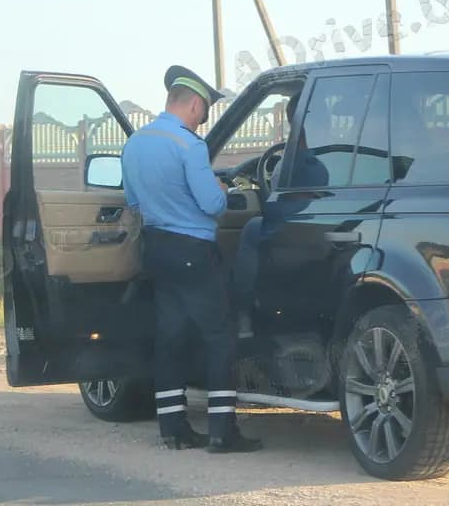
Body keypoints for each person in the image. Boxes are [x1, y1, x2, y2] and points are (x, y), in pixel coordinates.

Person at [122, 65, 262, 453]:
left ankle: (173, 428)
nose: (202, 122)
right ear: (196, 105)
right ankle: (222, 431)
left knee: (171, 338)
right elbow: (214, 204)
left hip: (156, 249)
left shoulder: (136, 143)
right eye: (203, 113)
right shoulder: (190, 146)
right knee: (219, 337)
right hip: (193, 253)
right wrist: (218, 186)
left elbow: (132, 201)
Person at [231, 93, 329, 337]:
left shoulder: (297, 158)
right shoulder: (333, 152)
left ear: (296, 121)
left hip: (298, 226)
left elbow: (275, 204)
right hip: (325, 227)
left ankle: (242, 310)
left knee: (253, 227)